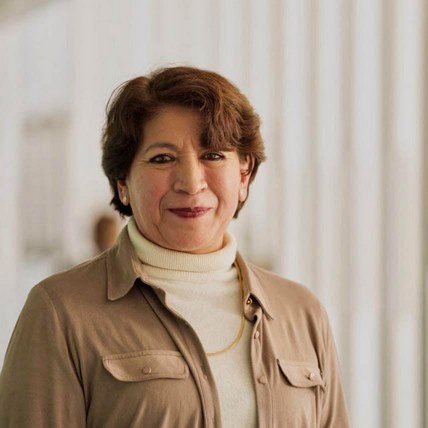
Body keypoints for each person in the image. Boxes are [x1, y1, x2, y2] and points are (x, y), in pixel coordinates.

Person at [0, 66, 349, 427]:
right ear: (123, 182)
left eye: (213, 155)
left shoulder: (302, 313)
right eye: (162, 159)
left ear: (244, 174)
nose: (191, 182)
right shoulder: (61, 313)